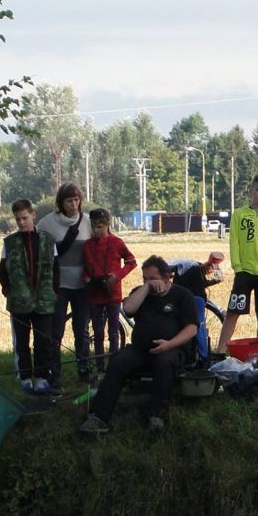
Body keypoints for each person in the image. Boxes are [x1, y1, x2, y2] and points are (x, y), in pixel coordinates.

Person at [79, 256, 199, 434]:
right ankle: (99, 417)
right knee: (118, 361)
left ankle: (156, 415)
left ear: (167, 277)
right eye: (145, 278)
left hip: (171, 349)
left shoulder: (182, 295)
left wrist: (169, 344)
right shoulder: (141, 293)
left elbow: (192, 328)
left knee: (165, 362)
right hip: (140, 350)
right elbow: (128, 309)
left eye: (153, 278)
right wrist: (147, 287)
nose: (148, 282)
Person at [0, 198, 59, 395]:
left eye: (24, 218)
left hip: (44, 301)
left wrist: (54, 291)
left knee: (43, 341)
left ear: (33, 215)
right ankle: (25, 379)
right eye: (18, 219)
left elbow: (56, 269)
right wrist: (9, 290)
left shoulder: (48, 240)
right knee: (21, 342)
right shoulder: (9, 243)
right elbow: (1, 271)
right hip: (19, 302)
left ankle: (41, 379)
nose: (21, 222)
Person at [216, 175, 258, 352]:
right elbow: (234, 243)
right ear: (251, 191)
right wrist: (238, 267)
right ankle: (220, 351)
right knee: (233, 311)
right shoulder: (239, 215)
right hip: (244, 272)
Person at [37, 182, 91, 386]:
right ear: (61, 202)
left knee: (82, 330)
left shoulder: (88, 221)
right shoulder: (47, 223)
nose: (74, 204)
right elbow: (41, 252)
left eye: (77, 200)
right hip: (58, 285)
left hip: (83, 285)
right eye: (69, 200)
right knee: (56, 331)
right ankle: (54, 372)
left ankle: (84, 369)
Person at [81, 208, 137, 372]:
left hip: (112, 292)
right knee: (98, 331)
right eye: (93, 227)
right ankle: (99, 366)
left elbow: (131, 262)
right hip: (94, 292)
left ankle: (114, 365)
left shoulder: (117, 242)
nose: (96, 230)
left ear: (107, 224)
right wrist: (86, 278)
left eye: (99, 227)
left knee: (113, 332)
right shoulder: (87, 245)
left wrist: (117, 276)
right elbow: (85, 268)